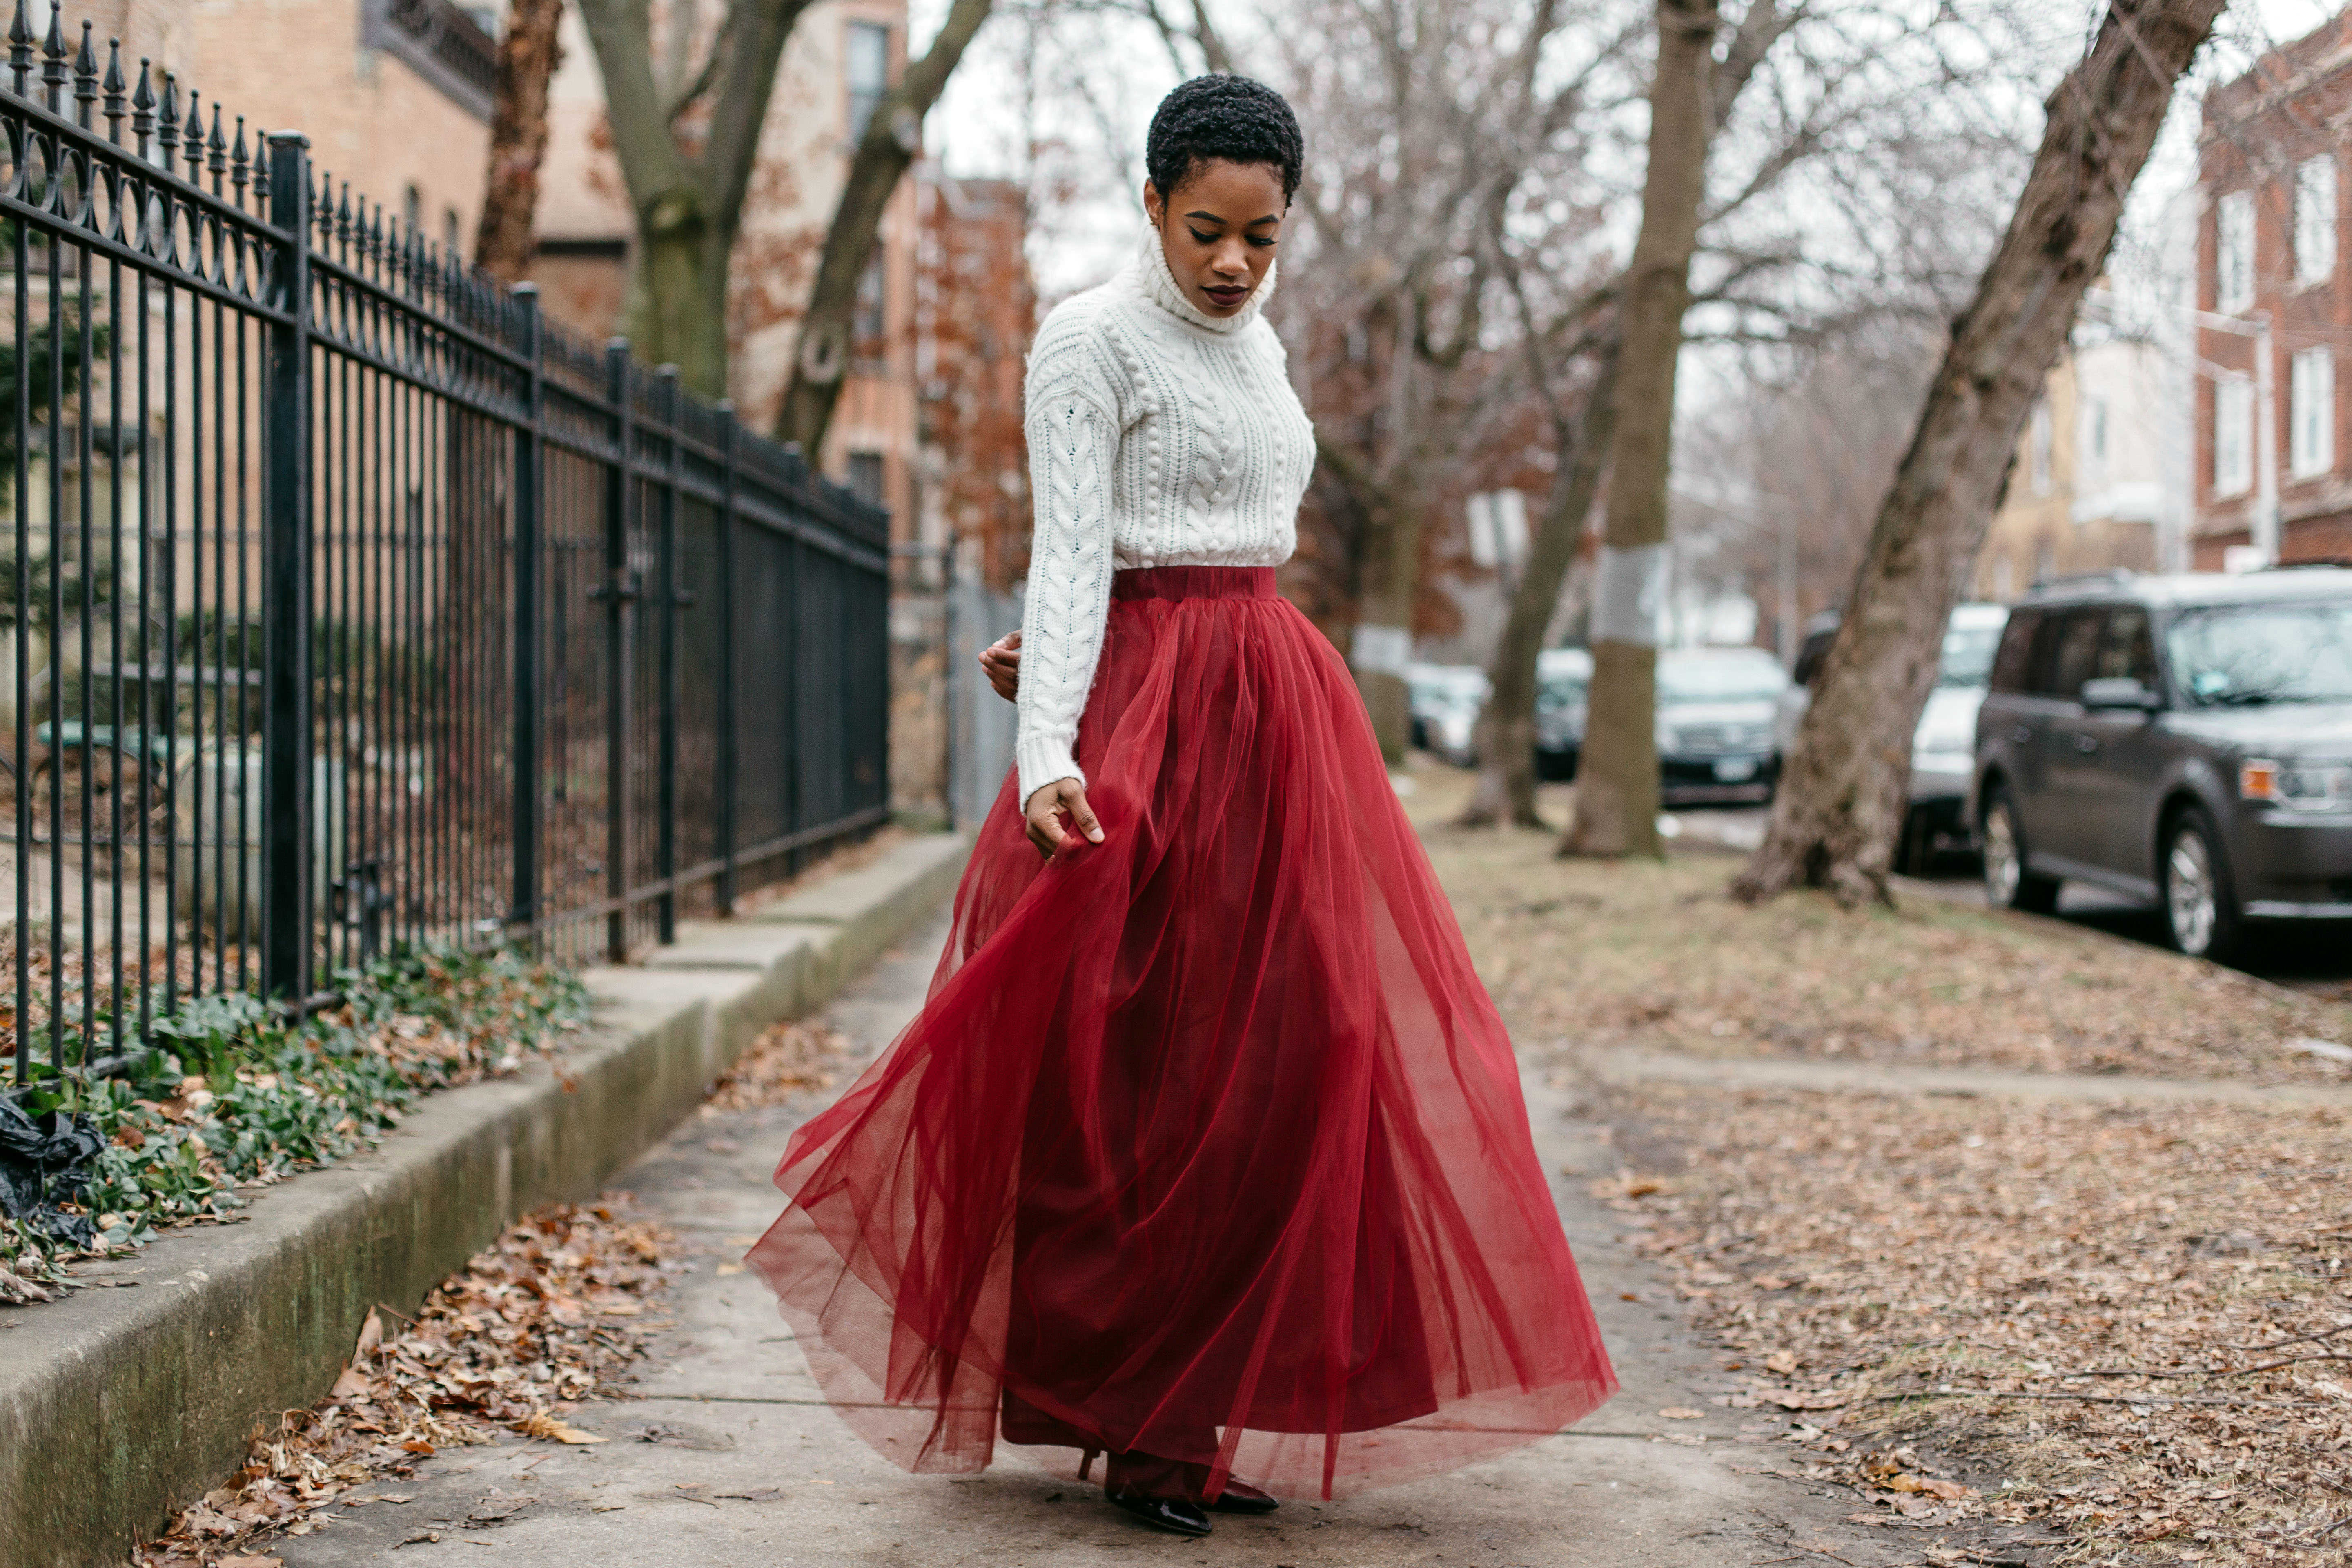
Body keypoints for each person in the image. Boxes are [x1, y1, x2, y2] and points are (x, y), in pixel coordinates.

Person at [746, 74, 1616, 1540]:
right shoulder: (1087, 339)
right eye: (1206, 230)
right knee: (1140, 1069)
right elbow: (1078, 556)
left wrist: (1176, 650)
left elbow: (1244, 540)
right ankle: (1150, 1427)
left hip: (1279, 717)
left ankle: (1205, 1401)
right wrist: (1049, 752)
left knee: (1305, 1049)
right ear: (1151, 204)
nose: (1231, 264)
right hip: (1145, 734)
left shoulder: (1264, 349)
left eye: (1261, 239)